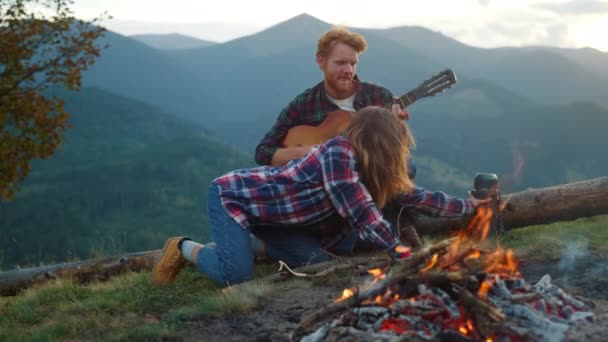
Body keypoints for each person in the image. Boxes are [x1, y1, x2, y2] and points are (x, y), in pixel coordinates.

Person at [152, 107, 489, 287]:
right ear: (383, 144)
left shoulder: (366, 162)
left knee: (320, 264)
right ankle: (183, 247)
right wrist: (404, 255)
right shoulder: (338, 156)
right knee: (234, 277)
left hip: (276, 219)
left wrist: (467, 206)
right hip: (235, 198)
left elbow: (413, 195)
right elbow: (364, 215)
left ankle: (237, 245)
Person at [253, 26, 419, 252]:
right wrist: (305, 153)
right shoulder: (304, 104)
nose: (348, 70)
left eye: (353, 63)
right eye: (340, 63)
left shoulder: (378, 97)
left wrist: (396, 127)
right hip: (325, 192)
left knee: (408, 164)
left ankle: (389, 227)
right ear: (321, 61)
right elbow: (263, 151)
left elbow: (397, 150)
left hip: (369, 177)